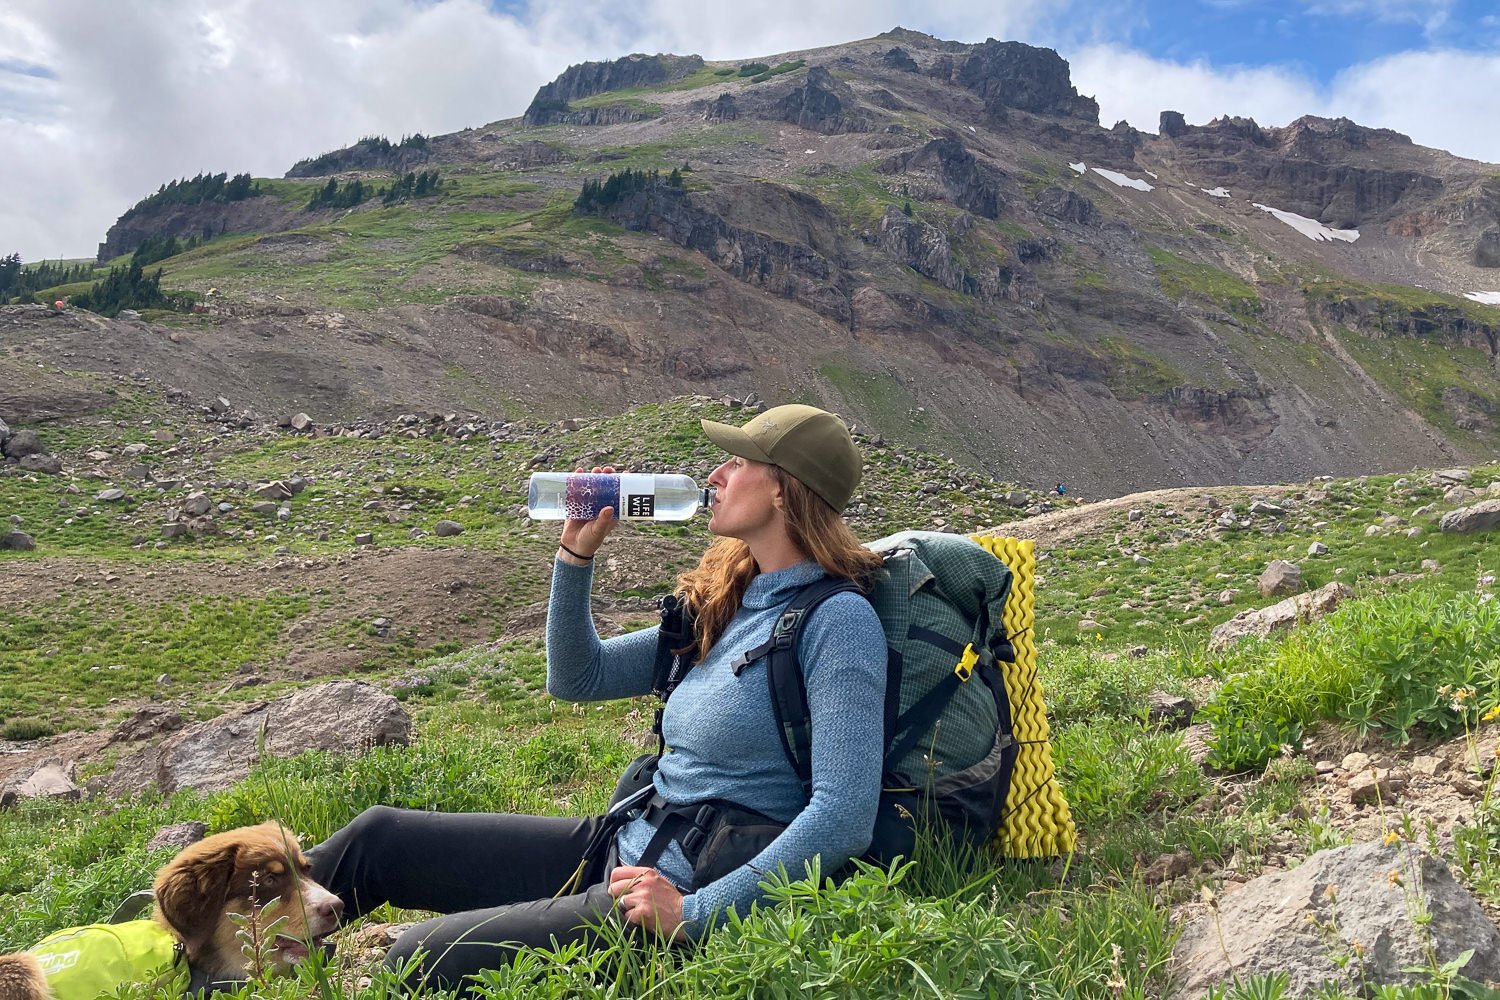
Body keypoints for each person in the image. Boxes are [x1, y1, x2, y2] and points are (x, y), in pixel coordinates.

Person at [308, 404, 887, 989]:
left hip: (672, 898)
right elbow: (578, 677)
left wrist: (694, 914)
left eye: (737, 462)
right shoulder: (726, 601)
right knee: (377, 838)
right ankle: (232, 954)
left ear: (786, 490)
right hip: (619, 845)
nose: (714, 475)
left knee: (419, 956)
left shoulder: (837, 621)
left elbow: (842, 816)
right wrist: (576, 557)